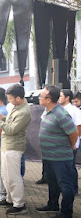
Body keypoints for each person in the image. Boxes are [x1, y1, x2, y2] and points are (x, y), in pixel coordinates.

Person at [35, 86, 78, 218]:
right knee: (51, 181)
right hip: (49, 156)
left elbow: (74, 133)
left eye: (41, 96)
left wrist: (70, 147)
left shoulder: (61, 114)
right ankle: (53, 204)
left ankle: (66, 212)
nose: (39, 98)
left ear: (48, 99)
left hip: (61, 158)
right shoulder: (48, 111)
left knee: (65, 185)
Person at [0, 84, 31, 215]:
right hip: (7, 146)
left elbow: (11, 129)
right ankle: (10, 199)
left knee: (14, 177)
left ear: (18, 98)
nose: (10, 101)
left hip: (14, 147)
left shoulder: (24, 111)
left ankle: (19, 204)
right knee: (5, 175)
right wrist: (1, 117)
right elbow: (9, 121)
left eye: (11, 98)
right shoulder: (16, 106)